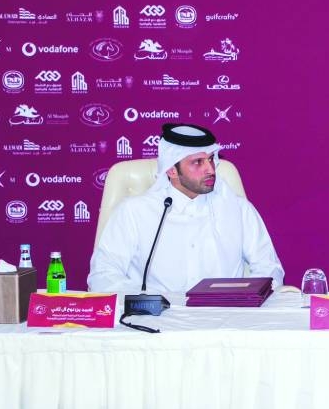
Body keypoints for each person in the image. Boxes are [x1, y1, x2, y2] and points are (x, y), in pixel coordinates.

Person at [88, 124, 284, 293]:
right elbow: (103, 275)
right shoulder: (134, 212)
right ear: (172, 170)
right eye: (198, 162)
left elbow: (269, 268)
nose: (210, 169)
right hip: (155, 323)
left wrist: (245, 298)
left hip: (225, 321)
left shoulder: (239, 210)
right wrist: (147, 300)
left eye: (211, 159)